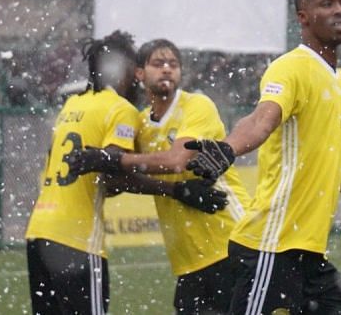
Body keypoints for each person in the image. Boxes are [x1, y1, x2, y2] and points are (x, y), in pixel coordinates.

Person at [185, 0, 341, 314]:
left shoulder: (334, 82)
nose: (340, 10)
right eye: (326, 3)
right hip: (270, 247)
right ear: (303, 17)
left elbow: (330, 163)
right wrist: (229, 148)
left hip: (306, 256)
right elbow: (261, 119)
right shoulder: (291, 67)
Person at [24, 31, 227, 315]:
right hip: (77, 236)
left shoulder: (72, 105)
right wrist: (174, 189)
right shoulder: (121, 110)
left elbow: (108, 167)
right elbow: (112, 171)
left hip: (39, 231)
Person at [65, 38, 252, 314]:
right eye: (158, 63)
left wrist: (113, 159)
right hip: (189, 262)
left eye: (173, 64)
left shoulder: (197, 105)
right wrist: (173, 190)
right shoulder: (139, 123)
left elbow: (176, 160)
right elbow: (114, 182)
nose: (167, 69)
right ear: (139, 73)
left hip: (233, 243)